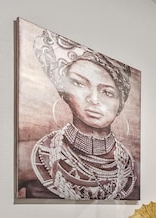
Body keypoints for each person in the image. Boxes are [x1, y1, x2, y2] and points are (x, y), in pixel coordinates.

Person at [20, 28, 138, 200]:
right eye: (80, 84)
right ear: (65, 92)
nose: (94, 99)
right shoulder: (31, 156)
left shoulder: (132, 168)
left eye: (107, 92)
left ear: (120, 103)